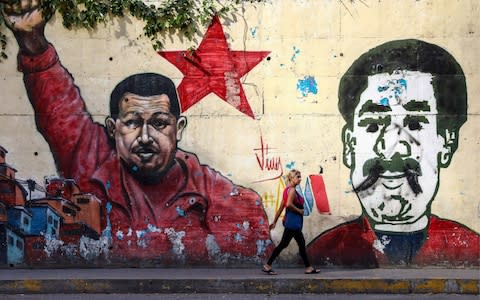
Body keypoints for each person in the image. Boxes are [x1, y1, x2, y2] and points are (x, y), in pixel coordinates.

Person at [1, 1, 272, 263]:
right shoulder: (93, 162)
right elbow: (59, 112)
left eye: (159, 123)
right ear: (112, 128)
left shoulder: (220, 197)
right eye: (132, 122)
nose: (145, 136)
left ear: (178, 129)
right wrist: (33, 42)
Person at [307, 39, 479, 267]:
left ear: (446, 144)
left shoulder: (469, 248)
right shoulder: (324, 252)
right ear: (349, 145)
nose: (391, 150)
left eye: (416, 124)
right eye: (373, 125)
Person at [262, 169, 319, 274]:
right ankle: (267, 265)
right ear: (292, 178)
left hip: (291, 223)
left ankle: (308, 267)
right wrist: (300, 211)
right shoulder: (292, 190)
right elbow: (288, 204)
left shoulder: (287, 190)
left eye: (300, 177)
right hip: (293, 224)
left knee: (294, 244)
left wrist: (274, 221)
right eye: (298, 177)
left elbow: (281, 207)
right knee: (289, 244)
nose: (300, 179)